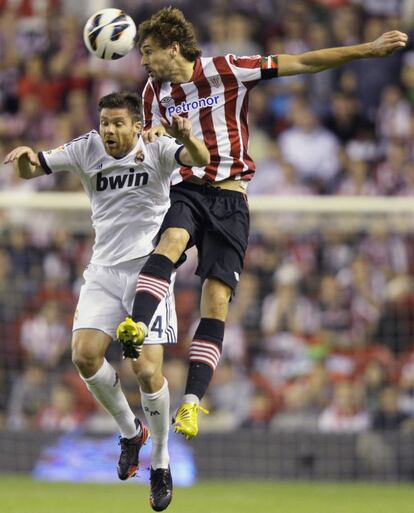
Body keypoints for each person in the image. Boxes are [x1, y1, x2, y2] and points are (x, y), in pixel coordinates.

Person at [116, 6, 408, 440]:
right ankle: (136, 326)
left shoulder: (228, 69)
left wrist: (368, 49)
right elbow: (150, 139)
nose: (143, 61)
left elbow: (304, 62)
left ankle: (192, 403)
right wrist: (152, 137)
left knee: (215, 301)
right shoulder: (152, 93)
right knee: (172, 240)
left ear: (173, 48)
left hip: (232, 198)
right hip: (188, 189)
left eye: (149, 52)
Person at [4, 91, 209, 512]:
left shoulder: (157, 147)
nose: (109, 131)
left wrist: (186, 138)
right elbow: (32, 169)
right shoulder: (85, 148)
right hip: (104, 271)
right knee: (84, 355)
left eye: (118, 123)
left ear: (137, 125)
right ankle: (132, 433)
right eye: (105, 123)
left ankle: (162, 463)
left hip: (150, 271)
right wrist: (25, 158)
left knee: (147, 370)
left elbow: (202, 159)